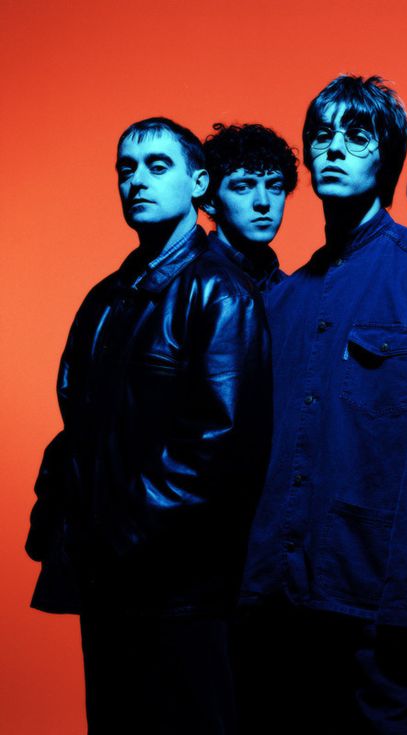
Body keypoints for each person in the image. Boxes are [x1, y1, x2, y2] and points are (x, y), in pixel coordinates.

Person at [237, 75, 407, 734]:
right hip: (283, 603)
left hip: (386, 606)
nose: (333, 149)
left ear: (388, 154)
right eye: (320, 136)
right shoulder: (282, 300)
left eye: (356, 135)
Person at [25, 117, 271, 735]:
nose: (137, 181)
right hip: (111, 581)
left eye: (158, 167)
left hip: (178, 589)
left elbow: (219, 449)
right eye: (126, 169)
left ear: (198, 182)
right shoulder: (108, 294)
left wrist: (120, 535)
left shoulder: (220, 292)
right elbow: (80, 425)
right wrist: (56, 516)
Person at [202, 122, 298, 290]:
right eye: (243, 187)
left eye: (274, 187)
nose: (263, 202)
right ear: (210, 201)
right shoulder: (190, 284)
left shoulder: (291, 291)